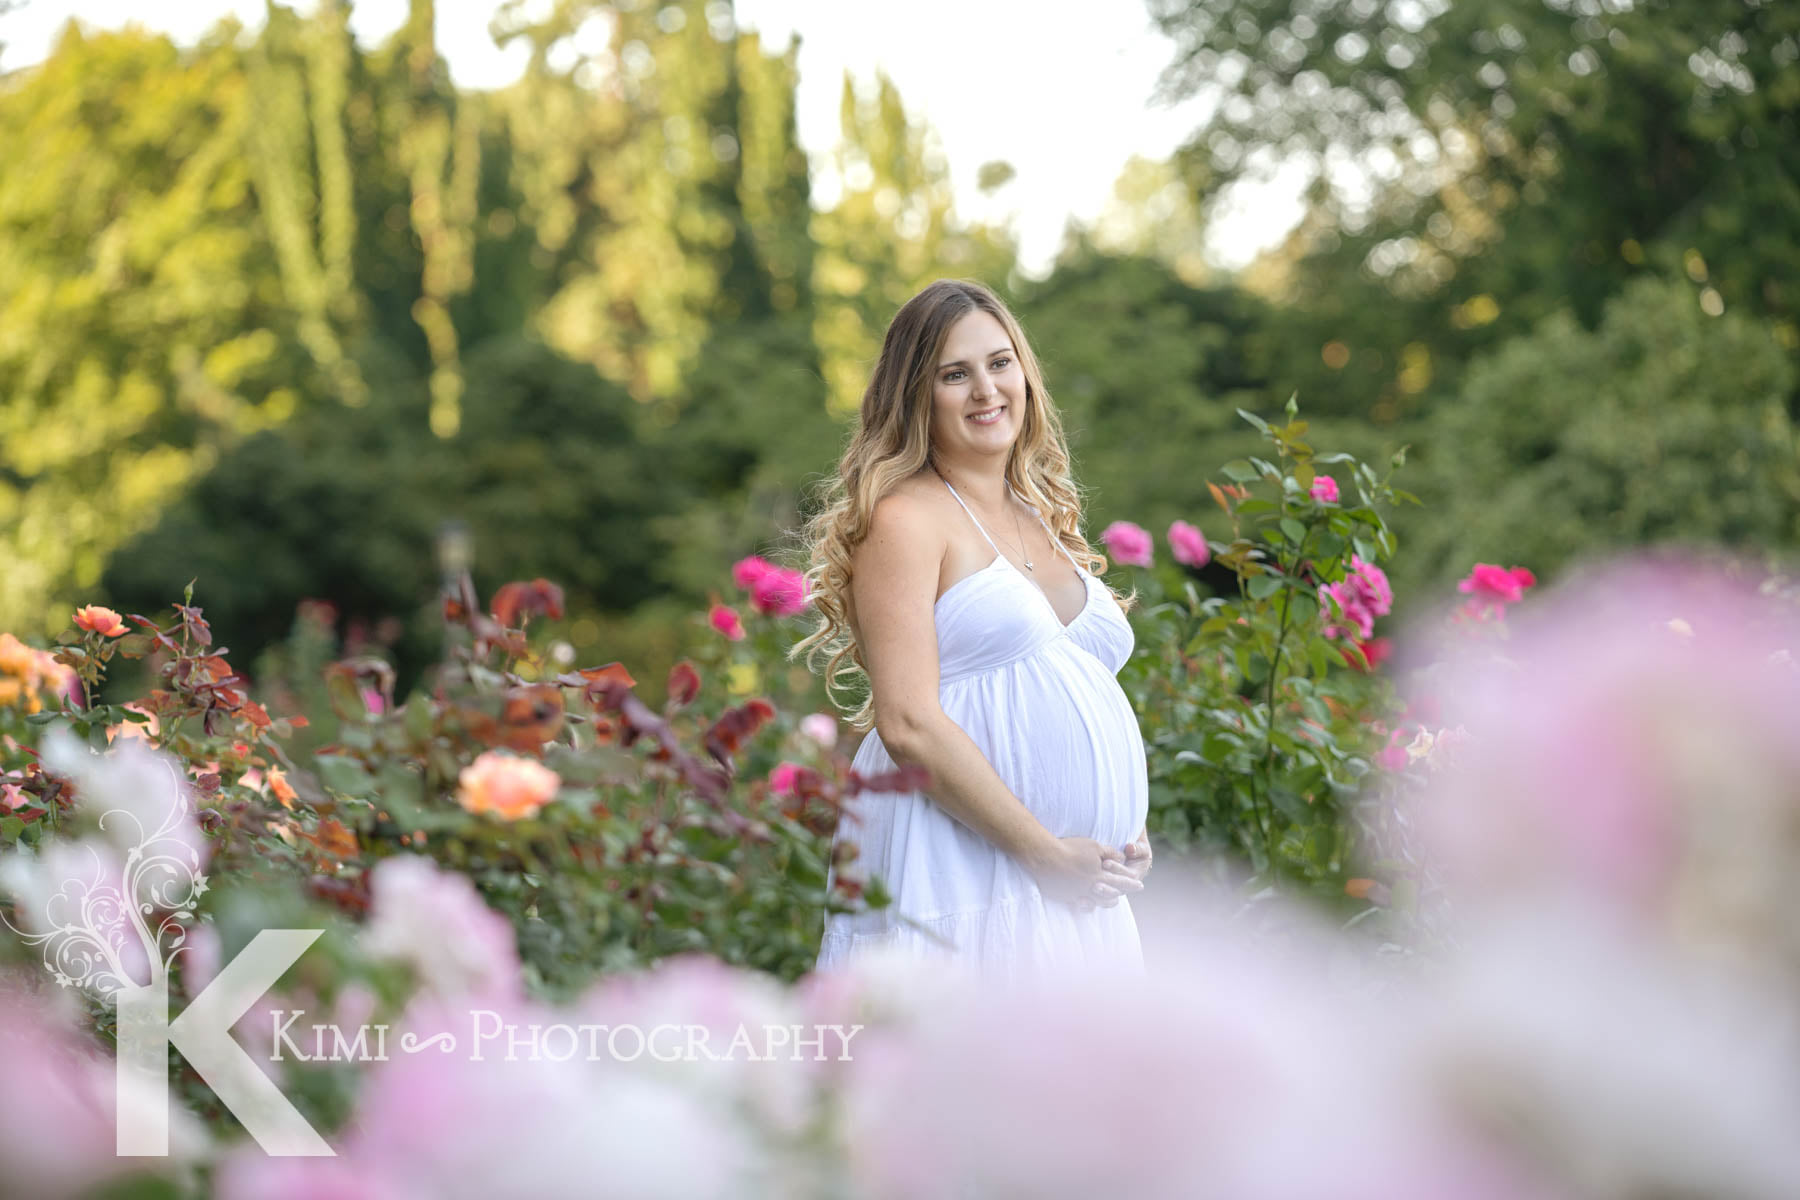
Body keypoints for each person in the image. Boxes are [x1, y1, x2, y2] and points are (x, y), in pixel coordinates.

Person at [793, 278, 1153, 982]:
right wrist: (1043, 854)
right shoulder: (906, 519)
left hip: (1081, 889)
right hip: (972, 872)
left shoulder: (1040, 511)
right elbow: (908, 723)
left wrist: (1121, 826)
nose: (986, 390)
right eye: (954, 374)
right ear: (916, 395)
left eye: (1000, 362)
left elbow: (1067, 690)